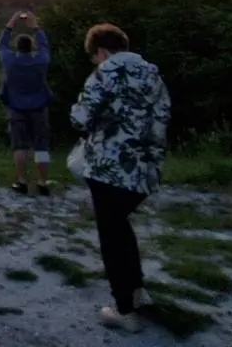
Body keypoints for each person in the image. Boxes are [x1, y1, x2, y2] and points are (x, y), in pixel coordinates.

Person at [70, 24, 171, 333]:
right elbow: (164, 113)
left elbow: (80, 118)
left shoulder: (105, 73)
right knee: (122, 228)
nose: (95, 62)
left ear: (101, 51)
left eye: (93, 56)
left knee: (111, 237)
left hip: (109, 167)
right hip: (145, 169)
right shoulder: (152, 74)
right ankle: (138, 291)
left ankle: (123, 310)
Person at [0, 11, 54, 195]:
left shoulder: (10, 61)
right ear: (32, 47)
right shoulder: (41, 60)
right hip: (39, 107)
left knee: (19, 145)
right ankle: (43, 182)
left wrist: (11, 23)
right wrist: (35, 25)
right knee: (41, 146)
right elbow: (45, 45)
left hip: (16, 107)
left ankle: (21, 181)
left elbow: (2, 43)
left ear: (17, 47)